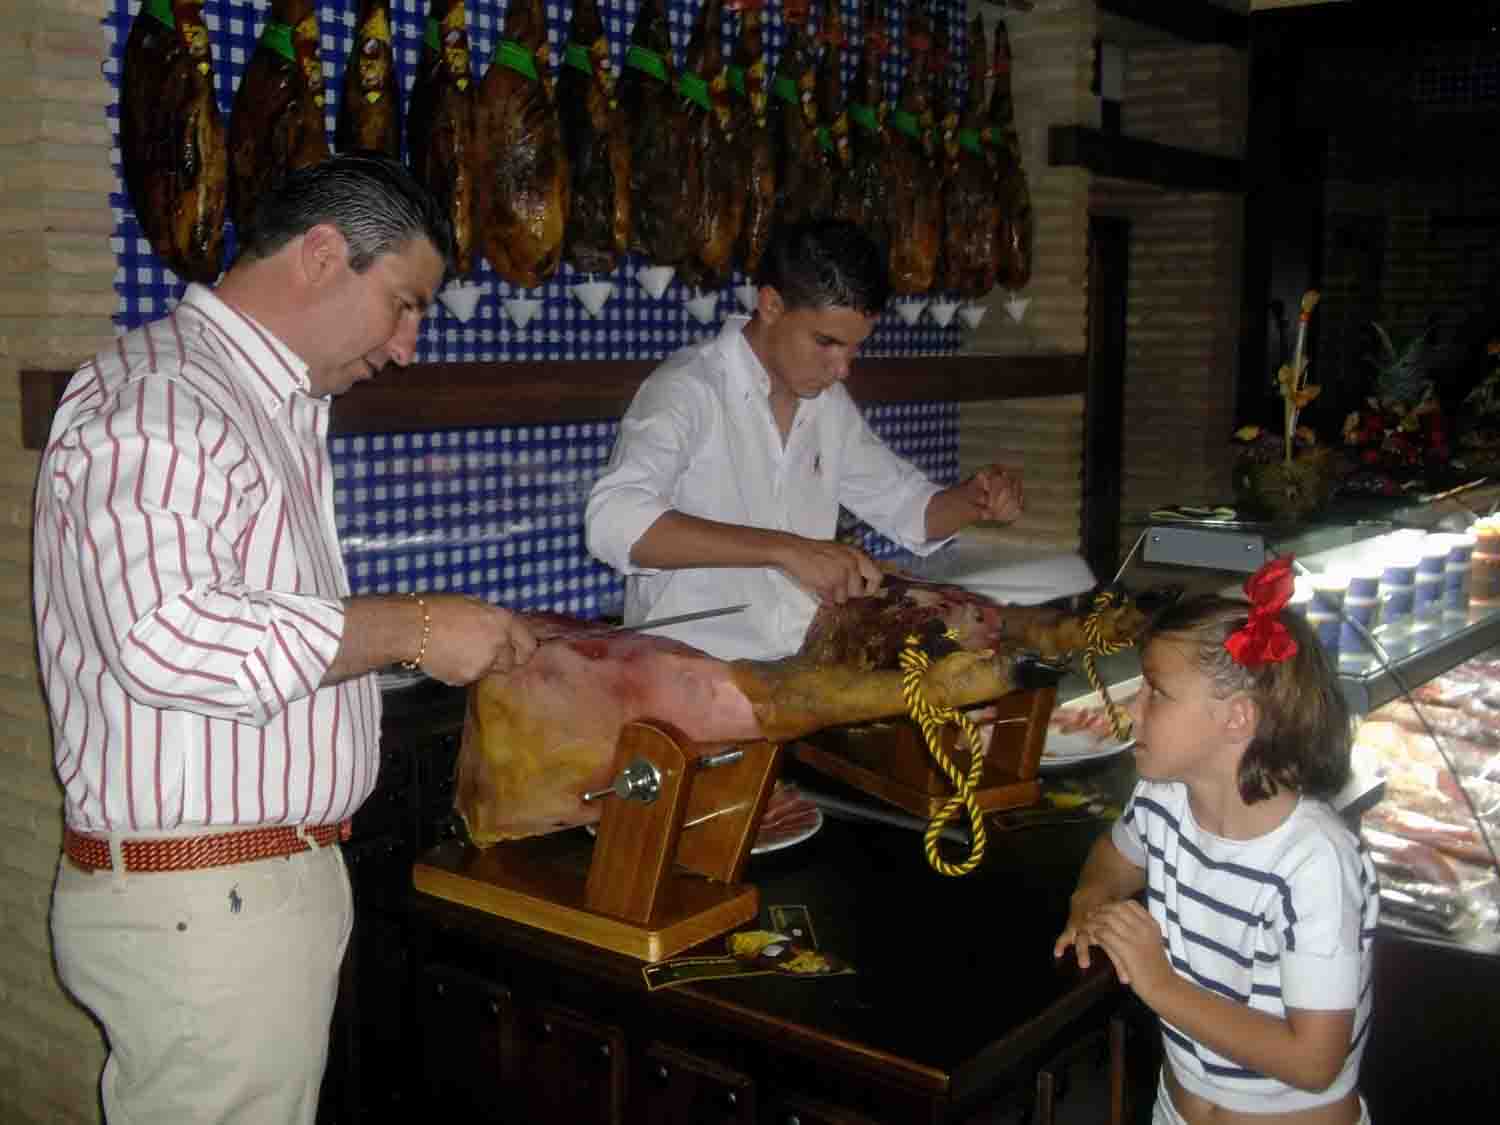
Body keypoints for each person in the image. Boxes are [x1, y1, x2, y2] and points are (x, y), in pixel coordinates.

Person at [33, 152, 537, 1123]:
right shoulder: (167, 396)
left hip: (238, 895)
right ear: (320, 255)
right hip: (207, 905)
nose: (407, 347)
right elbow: (167, 633)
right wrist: (415, 628)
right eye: (403, 303)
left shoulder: (265, 401)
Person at [585, 218, 1024, 660]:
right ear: (772, 305)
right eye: (826, 342)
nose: (843, 369)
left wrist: (973, 499)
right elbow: (614, 522)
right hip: (687, 683)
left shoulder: (827, 405)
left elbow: (908, 508)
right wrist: (786, 550)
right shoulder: (688, 389)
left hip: (797, 675)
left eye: (854, 349)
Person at [1052, 557, 1378, 1125]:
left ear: (1236, 720)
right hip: (1174, 1108)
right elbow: (1116, 857)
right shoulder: (1163, 796)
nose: (1132, 709)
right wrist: (1091, 898)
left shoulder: (1312, 862)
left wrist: (1159, 983)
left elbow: (1314, 1060)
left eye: (1155, 692)